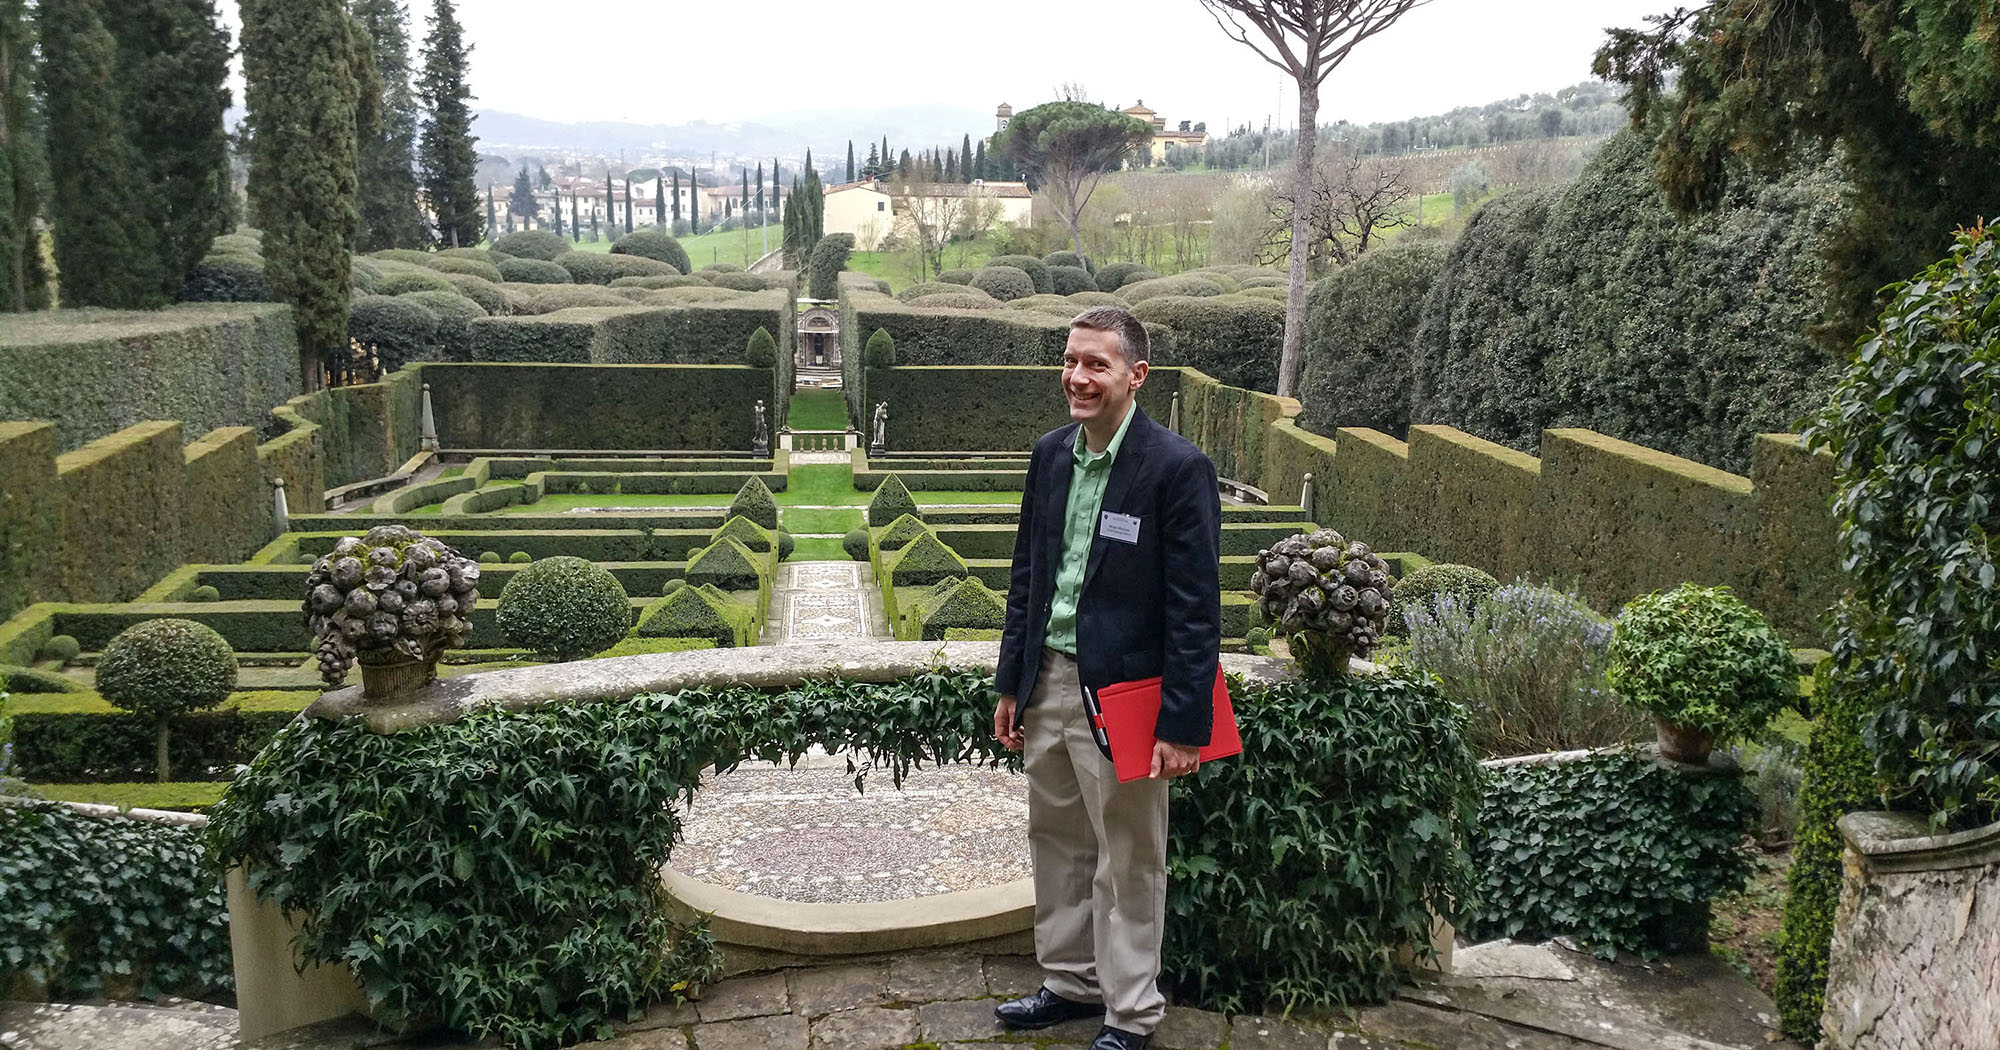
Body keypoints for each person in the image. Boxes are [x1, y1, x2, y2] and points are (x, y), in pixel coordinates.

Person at [991, 305, 1222, 1050]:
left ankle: (1130, 1013)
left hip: (1124, 699)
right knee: (1057, 841)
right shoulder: (1050, 455)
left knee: (1129, 859)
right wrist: (1011, 683)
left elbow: (1195, 610)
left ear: (1136, 374)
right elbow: (1028, 577)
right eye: (1070, 361)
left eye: (1097, 364)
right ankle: (1069, 982)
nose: (1078, 377)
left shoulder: (1177, 468)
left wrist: (1182, 725)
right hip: (1049, 682)